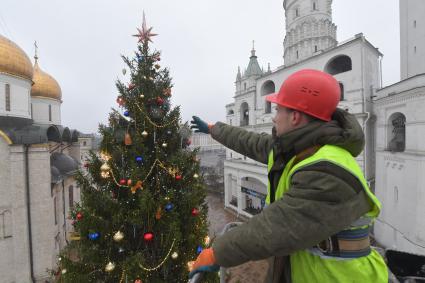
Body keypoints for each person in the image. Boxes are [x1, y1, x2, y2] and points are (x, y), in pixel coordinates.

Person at [189, 69, 388, 282]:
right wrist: (213, 129)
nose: (274, 118)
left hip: (337, 276)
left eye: (278, 110)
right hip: (309, 269)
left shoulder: (328, 169)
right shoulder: (298, 149)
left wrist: (217, 253)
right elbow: (251, 142)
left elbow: (276, 228)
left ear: (294, 116)